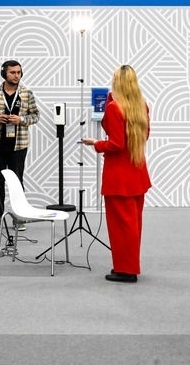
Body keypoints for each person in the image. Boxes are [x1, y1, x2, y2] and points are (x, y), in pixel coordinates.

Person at [81, 65, 151, 283]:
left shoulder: (114, 108)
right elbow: (144, 136)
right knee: (133, 225)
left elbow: (116, 144)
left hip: (119, 176)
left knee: (120, 226)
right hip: (137, 173)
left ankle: (126, 270)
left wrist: (96, 144)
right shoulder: (141, 105)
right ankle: (128, 265)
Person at [0, 60, 40, 231]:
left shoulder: (26, 93)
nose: (16, 76)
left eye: (19, 72)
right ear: (4, 74)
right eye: (12, 72)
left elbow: (36, 116)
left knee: (17, 182)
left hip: (19, 145)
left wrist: (21, 119)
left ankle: (19, 217)